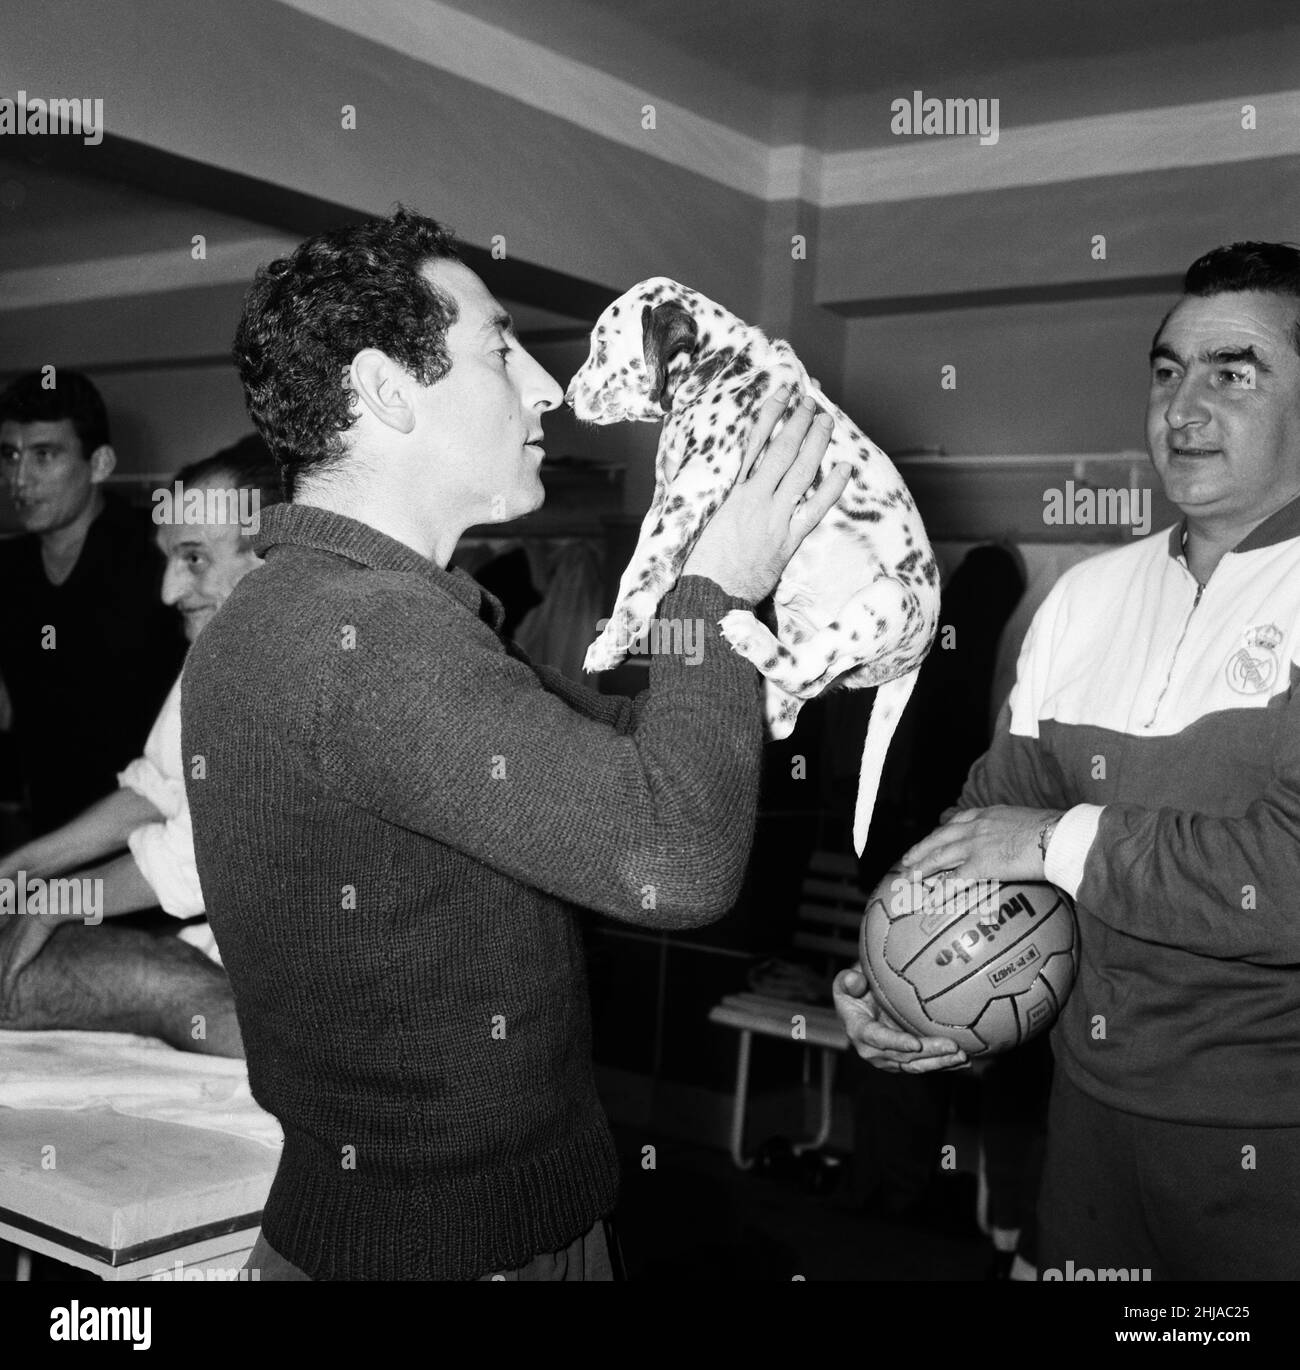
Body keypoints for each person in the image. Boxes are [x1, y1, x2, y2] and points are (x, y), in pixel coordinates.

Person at [183, 207, 850, 1281]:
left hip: (396, 1229)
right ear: (384, 390)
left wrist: (762, 631)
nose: (546, 387)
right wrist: (714, 587)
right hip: (454, 1249)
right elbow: (673, 857)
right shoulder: (373, 638)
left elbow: (627, 757)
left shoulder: (310, 610)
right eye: (501, 348)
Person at [834, 241, 1300, 1281]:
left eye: (1233, 370)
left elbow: (1285, 879)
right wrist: (904, 971)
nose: (1181, 407)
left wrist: (1054, 838)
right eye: (1167, 369)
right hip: (1083, 1122)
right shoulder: (1084, 596)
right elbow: (984, 827)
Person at [0, 439, 279, 1058]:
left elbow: (199, 855)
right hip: (242, 943)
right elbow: (160, 786)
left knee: (164, 989)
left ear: (277, 557)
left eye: (194, 559)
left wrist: (55, 903)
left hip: (351, 977)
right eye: (168, 559)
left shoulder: (306, 666)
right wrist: (22, 871)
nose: (168, 590)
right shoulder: (223, 643)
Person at [0, 371, 186, 832]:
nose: (19, 478)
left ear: (99, 464)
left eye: (44, 455)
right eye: (10, 455)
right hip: (48, 831)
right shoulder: (8, 566)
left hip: (160, 836)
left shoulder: (161, 550)